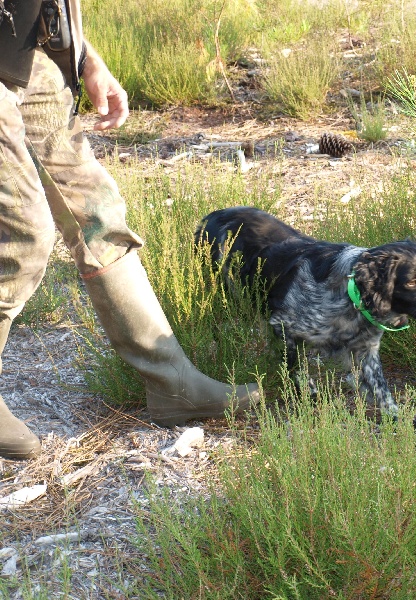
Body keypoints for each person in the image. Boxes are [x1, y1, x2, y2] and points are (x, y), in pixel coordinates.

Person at [0, 0, 260, 460]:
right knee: (25, 231)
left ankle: (172, 382)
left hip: (25, 53)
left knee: (100, 213)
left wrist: (84, 56)